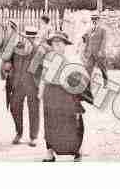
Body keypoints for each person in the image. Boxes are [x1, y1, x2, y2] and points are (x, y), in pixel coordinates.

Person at [40, 31, 85, 162]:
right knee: (50, 123)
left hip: (65, 94)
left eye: (60, 44)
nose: (58, 46)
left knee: (71, 121)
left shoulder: (70, 59)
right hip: (50, 93)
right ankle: (49, 152)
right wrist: (41, 92)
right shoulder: (48, 58)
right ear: (52, 45)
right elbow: (43, 76)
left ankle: (77, 150)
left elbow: (76, 79)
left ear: (65, 45)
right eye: (55, 44)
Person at [3, 26, 41, 147]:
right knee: (14, 107)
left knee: (33, 110)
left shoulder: (38, 49)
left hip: (32, 84)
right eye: (27, 37)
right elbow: (7, 58)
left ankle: (33, 137)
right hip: (18, 83)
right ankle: (19, 133)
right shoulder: (17, 48)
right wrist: (7, 65)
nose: (29, 40)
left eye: (31, 38)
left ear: (35, 38)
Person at [82, 12, 108, 85]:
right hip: (90, 53)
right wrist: (85, 50)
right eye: (92, 19)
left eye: (96, 19)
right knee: (88, 68)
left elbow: (104, 41)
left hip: (99, 53)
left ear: (99, 20)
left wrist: (101, 50)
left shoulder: (103, 30)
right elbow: (87, 41)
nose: (94, 20)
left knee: (102, 68)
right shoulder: (89, 30)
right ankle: (88, 84)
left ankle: (105, 82)